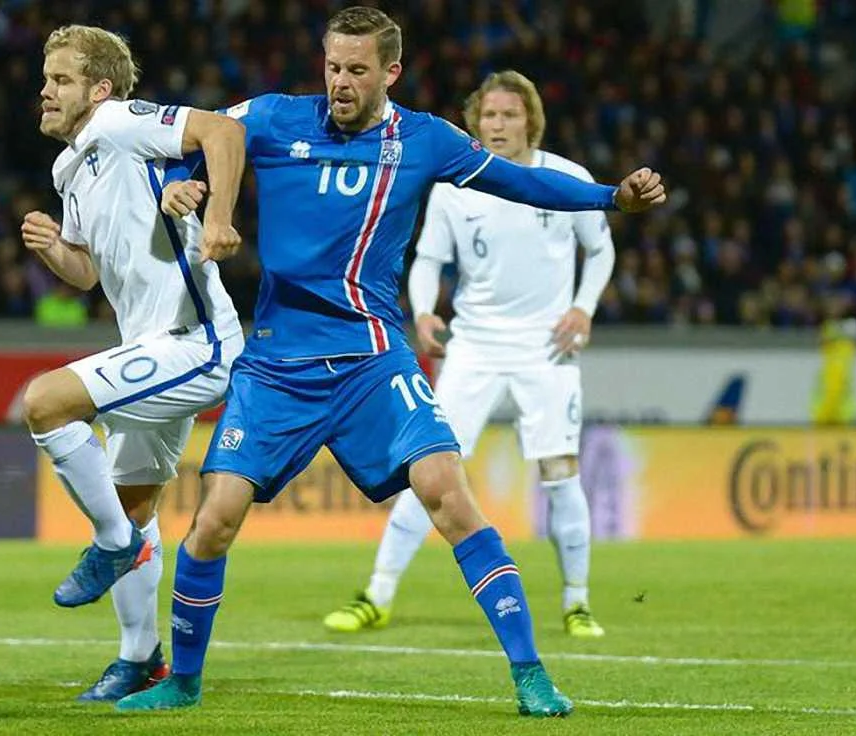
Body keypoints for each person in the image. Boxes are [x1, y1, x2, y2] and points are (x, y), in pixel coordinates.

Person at [118, 6, 664, 718]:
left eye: (357, 70)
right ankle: (184, 681)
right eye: (332, 67)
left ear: (391, 73)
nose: (340, 83)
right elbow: (197, 141)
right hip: (278, 364)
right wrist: (182, 183)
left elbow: (517, 181)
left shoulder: (425, 139)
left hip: (372, 361)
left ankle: (532, 674)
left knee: (449, 496)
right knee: (215, 518)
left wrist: (609, 198)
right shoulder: (275, 117)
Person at [322, 71, 613, 640]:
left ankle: (577, 602)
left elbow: (600, 250)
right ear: (475, 122)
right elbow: (429, 260)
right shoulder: (456, 188)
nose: (497, 125)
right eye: (488, 116)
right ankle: (377, 593)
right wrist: (424, 312)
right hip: (474, 346)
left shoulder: (566, 178)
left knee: (559, 471)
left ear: (531, 121)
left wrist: (583, 308)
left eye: (509, 115)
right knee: (428, 465)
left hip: (546, 348)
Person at [18, 24, 246, 701]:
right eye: (46, 78)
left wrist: (218, 218)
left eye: (60, 79)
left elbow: (222, 133)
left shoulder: (119, 123)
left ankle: (113, 543)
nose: (45, 90)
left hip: (196, 340)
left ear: (100, 89)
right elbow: (87, 273)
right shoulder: (68, 167)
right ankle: (140, 658)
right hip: (148, 345)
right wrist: (54, 250)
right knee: (134, 501)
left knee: (44, 403)